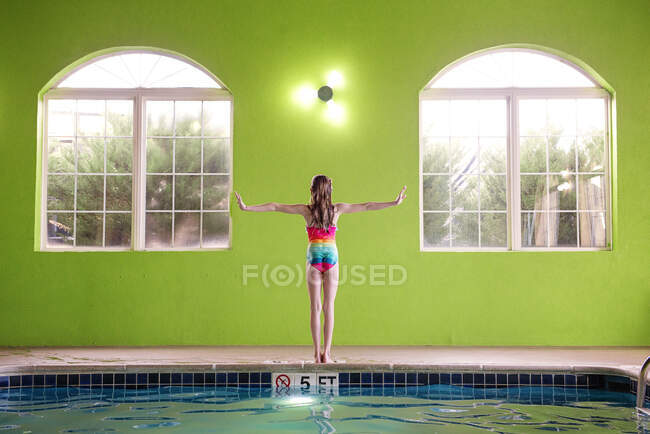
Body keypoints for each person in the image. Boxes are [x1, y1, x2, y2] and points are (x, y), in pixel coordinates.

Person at [234, 175, 406, 363]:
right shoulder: (337, 210)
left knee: (315, 307)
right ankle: (327, 354)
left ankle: (317, 354)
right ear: (330, 190)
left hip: (314, 257)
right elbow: (367, 205)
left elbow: (275, 206)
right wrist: (394, 203)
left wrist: (247, 207)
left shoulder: (306, 211)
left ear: (312, 191)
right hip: (331, 257)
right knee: (328, 306)